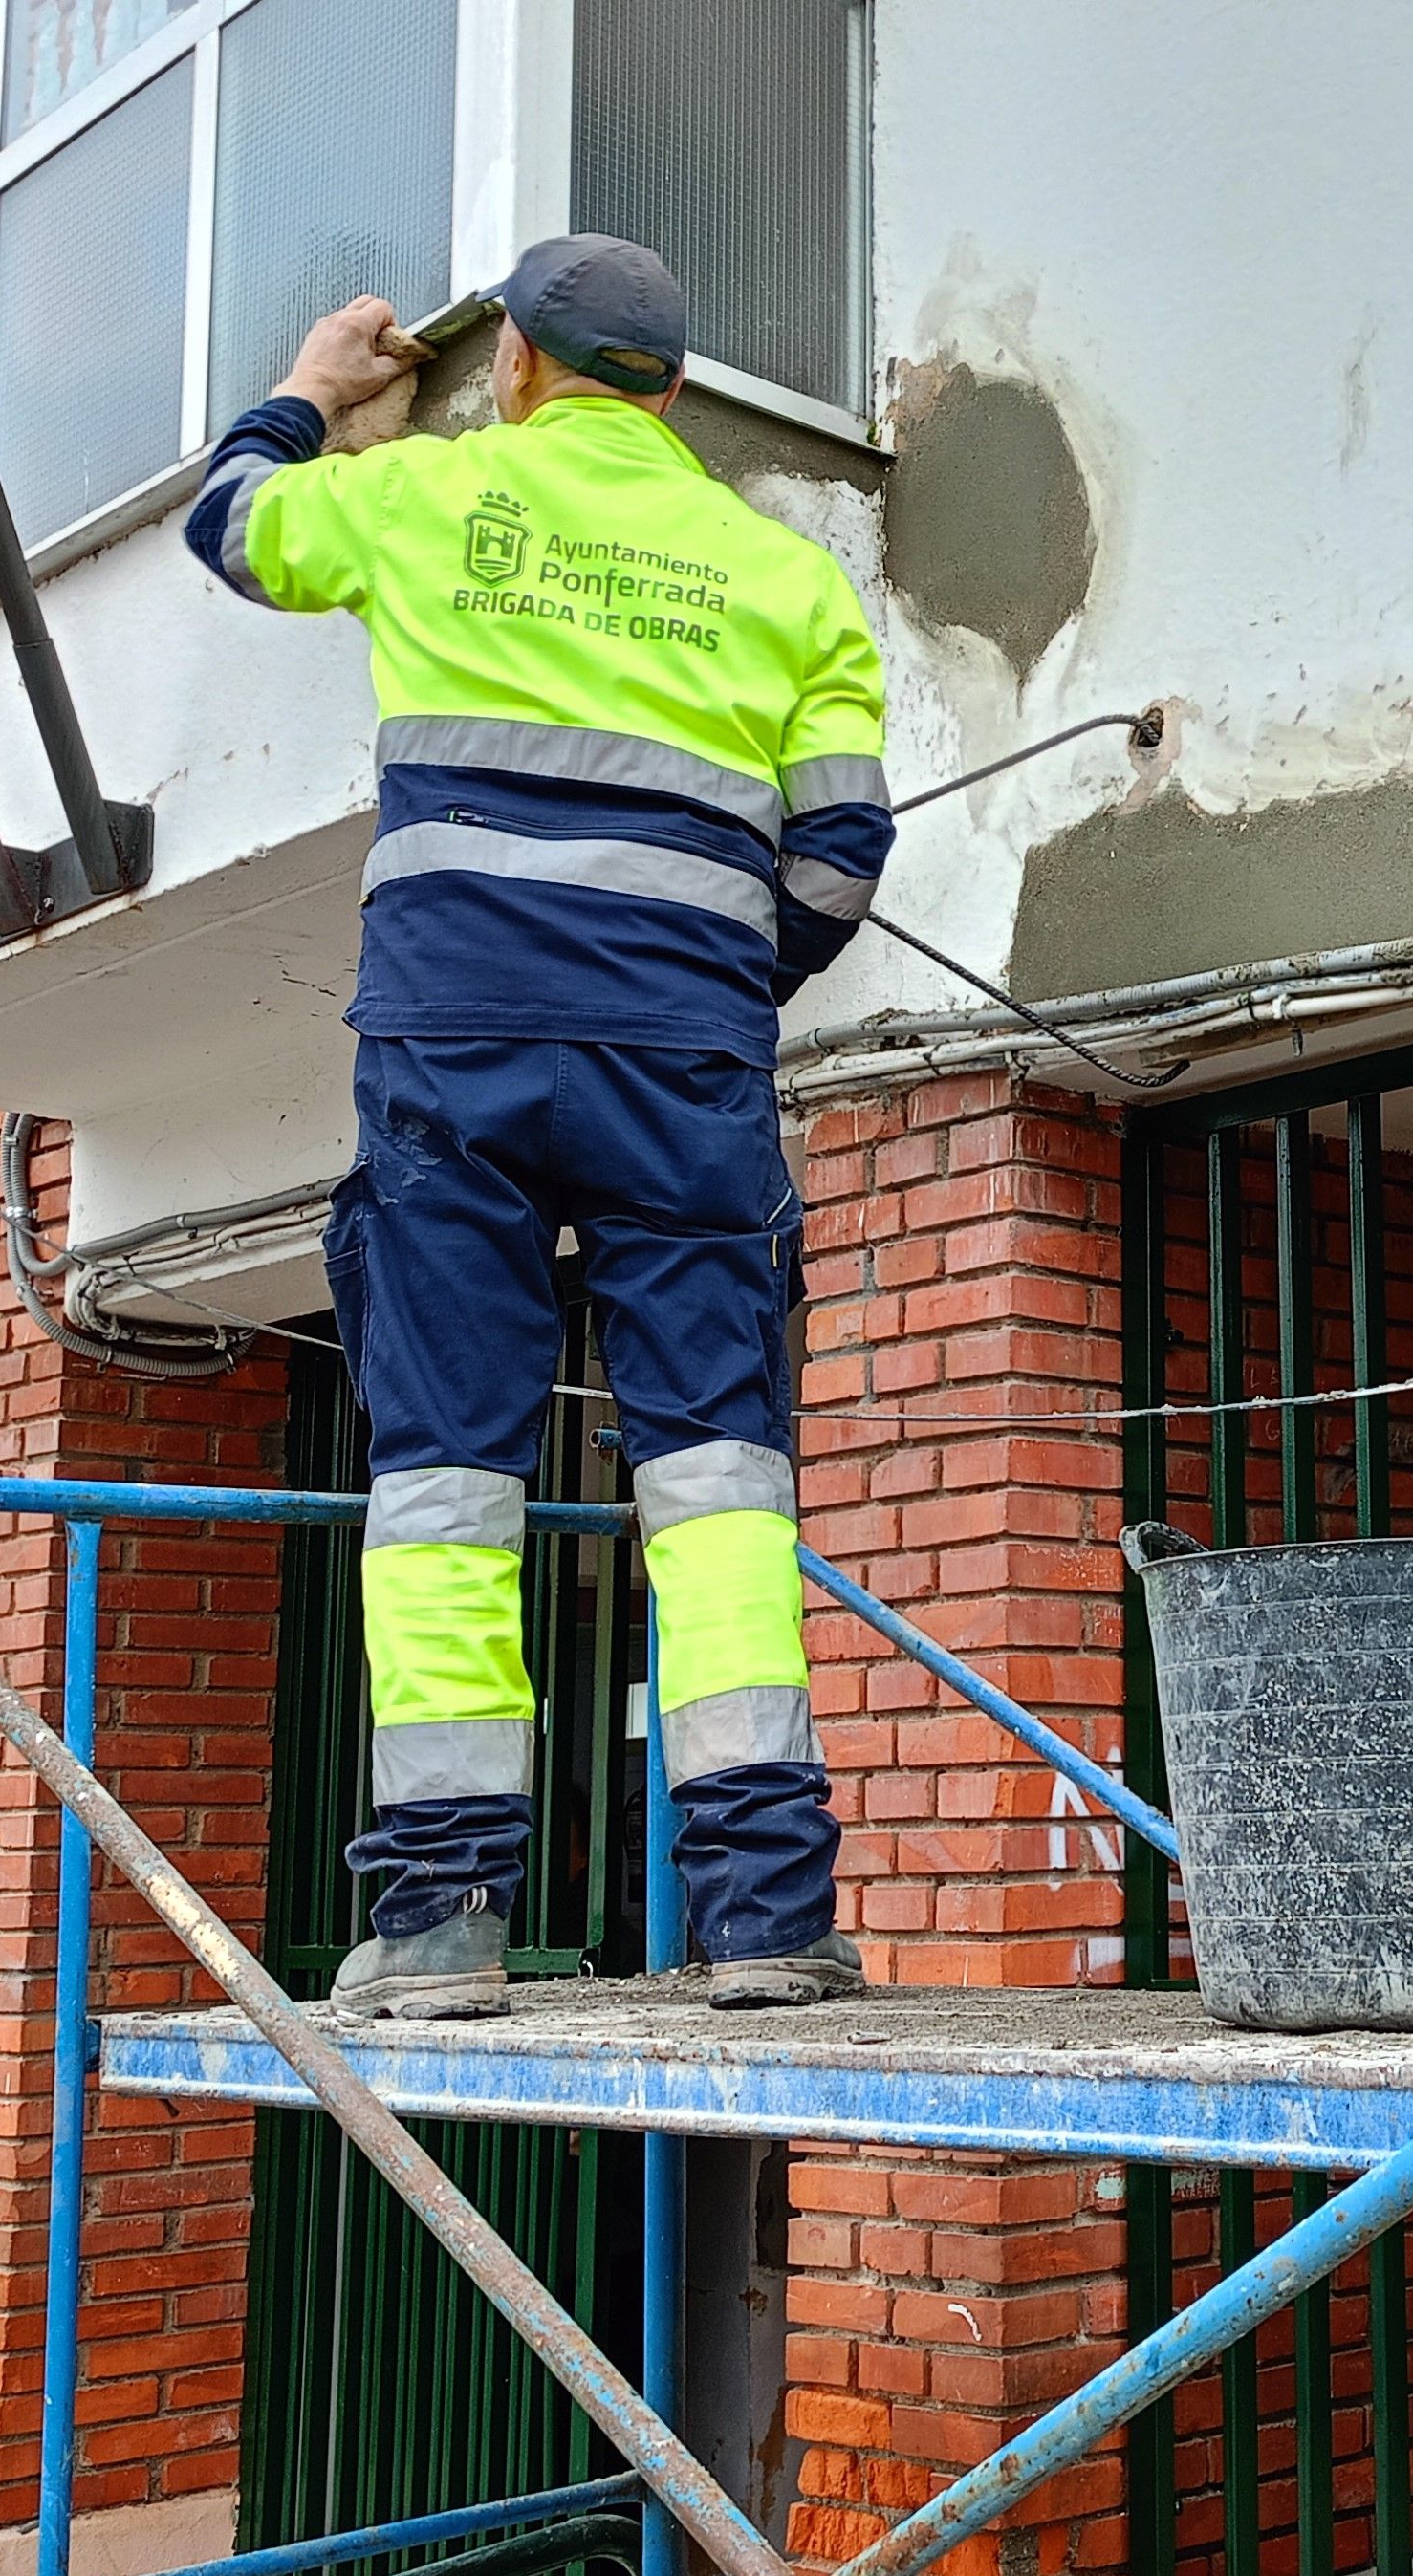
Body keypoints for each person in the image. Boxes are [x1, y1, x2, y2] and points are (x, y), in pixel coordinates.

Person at [186, 236, 891, 2016]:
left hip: (455, 1043)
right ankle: (762, 1920)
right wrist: (715, 979)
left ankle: (434, 1921)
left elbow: (237, 529)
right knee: (716, 1473)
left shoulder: (429, 494)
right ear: (671, 387)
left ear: (515, 355)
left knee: (444, 1476)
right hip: (686, 1056)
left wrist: (313, 390)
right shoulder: (780, 573)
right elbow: (840, 855)